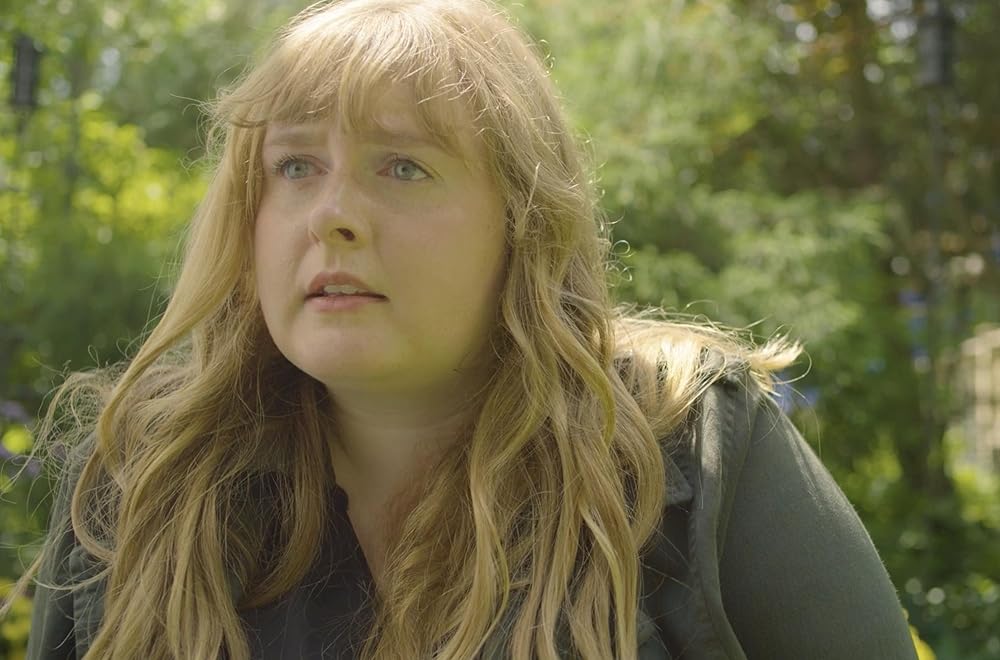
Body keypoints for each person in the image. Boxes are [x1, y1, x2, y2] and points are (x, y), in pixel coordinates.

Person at [11, 0, 917, 658]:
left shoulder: (692, 443)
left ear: (522, 225)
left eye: (403, 166)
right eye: (294, 166)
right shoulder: (138, 482)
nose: (333, 215)